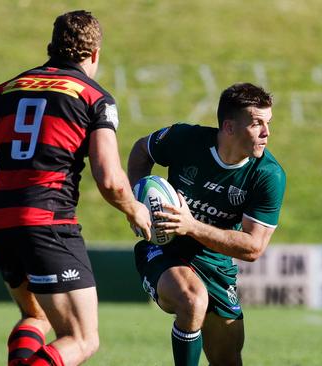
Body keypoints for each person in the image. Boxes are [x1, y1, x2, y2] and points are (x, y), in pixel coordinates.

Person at [0, 10, 152, 366]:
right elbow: (109, 178)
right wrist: (135, 209)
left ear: (51, 48)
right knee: (82, 339)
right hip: (46, 224)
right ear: (95, 55)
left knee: (37, 318)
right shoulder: (94, 97)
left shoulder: (6, 90)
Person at [128, 82, 286, 366]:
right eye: (257, 124)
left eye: (268, 123)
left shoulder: (268, 175)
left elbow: (253, 248)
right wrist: (135, 206)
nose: (267, 133)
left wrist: (191, 226)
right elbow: (142, 151)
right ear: (229, 128)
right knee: (192, 299)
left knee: (227, 359)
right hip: (165, 250)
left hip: (216, 263)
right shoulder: (184, 139)